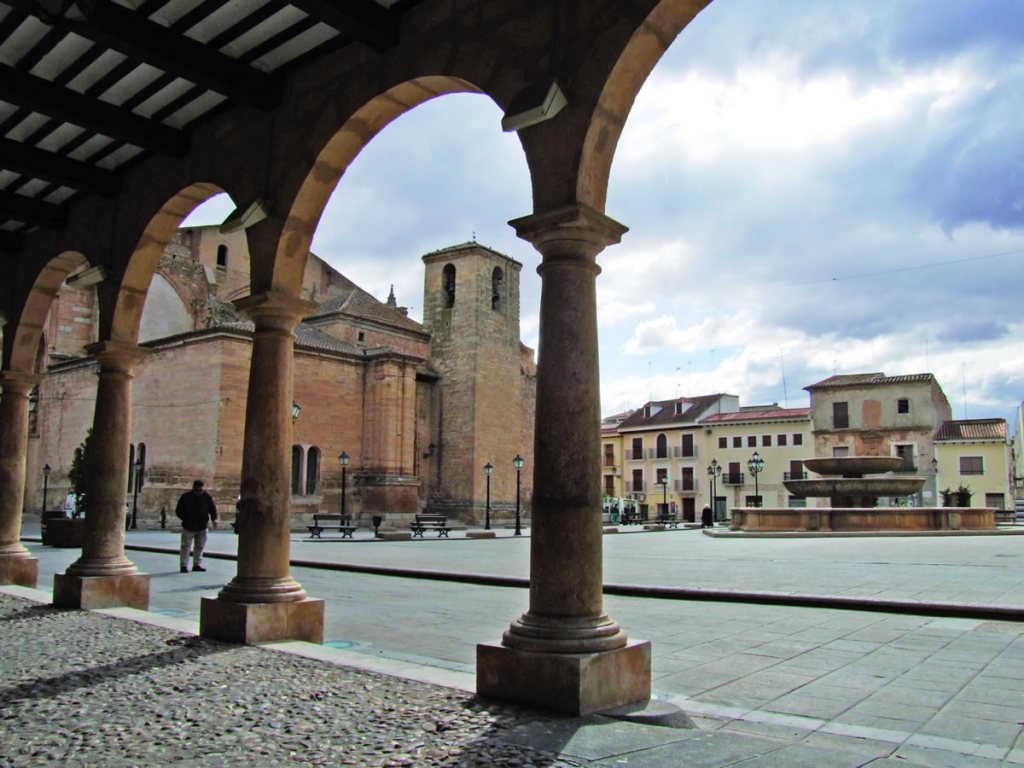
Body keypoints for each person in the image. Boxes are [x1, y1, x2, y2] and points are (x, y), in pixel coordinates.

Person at [176, 479, 218, 573]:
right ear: (193, 489)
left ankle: (197, 564)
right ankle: (184, 565)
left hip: (202, 526)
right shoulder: (185, 497)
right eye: (197, 490)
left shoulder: (207, 497)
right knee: (186, 546)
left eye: (201, 490)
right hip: (188, 526)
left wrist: (214, 519)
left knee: (200, 546)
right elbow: (178, 511)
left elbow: (212, 508)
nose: (199, 492)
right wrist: (186, 518)